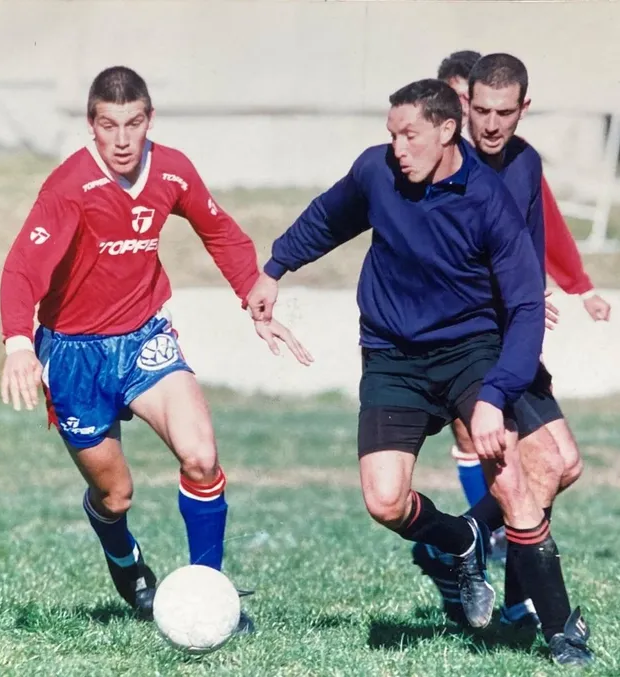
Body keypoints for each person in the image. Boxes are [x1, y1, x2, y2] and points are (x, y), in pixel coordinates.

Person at [247, 78, 592, 666]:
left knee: (513, 482)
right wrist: (274, 268)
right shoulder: (377, 172)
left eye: (409, 135)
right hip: (392, 356)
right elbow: (328, 218)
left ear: (445, 130)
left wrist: (494, 395)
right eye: (392, 135)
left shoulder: (486, 198)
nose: (397, 148)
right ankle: (460, 542)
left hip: (469, 351)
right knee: (384, 501)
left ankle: (562, 630)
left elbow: (527, 306)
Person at [0, 65, 312, 632]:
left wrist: (253, 298)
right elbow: (24, 268)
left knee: (202, 456)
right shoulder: (69, 187)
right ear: (91, 125)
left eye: (133, 124)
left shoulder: (172, 170)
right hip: (73, 355)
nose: (121, 140)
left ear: (150, 120)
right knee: (116, 494)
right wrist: (19, 342)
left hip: (145, 336)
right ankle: (125, 560)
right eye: (108, 125)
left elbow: (219, 231)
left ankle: (211, 595)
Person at [434, 49, 608, 563]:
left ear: (522, 107)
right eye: (479, 110)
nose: (489, 123)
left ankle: (464, 545)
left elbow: (541, 231)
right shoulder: (447, 169)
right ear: (465, 105)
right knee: (531, 467)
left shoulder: (526, 162)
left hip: (516, 337)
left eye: (502, 112)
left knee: (565, 465)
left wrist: (569, 288)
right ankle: (519, 595)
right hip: (471, 342)